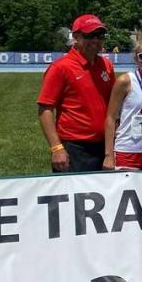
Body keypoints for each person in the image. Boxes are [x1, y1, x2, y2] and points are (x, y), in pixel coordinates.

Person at [37, 13, 115, 172]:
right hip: (75, 148)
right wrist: (57, 148)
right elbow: (45, 110)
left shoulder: (106, 65)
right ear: (76, 37)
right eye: (89, 35)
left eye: (99, 35)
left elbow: (114, 105)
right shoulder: (60, 67)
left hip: (106, 145)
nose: (95, 40)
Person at [103, 37, 142, 171]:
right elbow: (110, 118)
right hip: (127, 150)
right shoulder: (125, 81)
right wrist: (108, 155)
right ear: (136, 59)